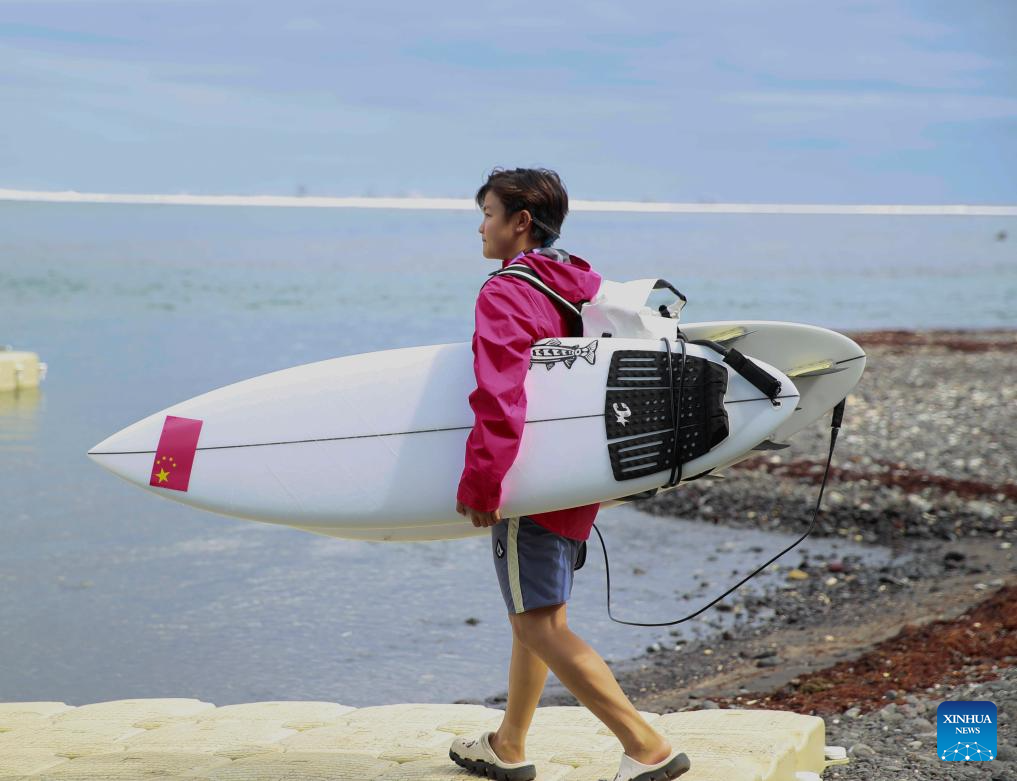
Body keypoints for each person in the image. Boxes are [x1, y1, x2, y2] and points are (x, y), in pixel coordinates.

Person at [450, 168, 691, 781]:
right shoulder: (573, 284)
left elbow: (500, 395)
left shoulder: (505, 292)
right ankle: (509, 743)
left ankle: (647, 748)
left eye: (488, 213)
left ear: (519, 222)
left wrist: (483, 483)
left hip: (528, 480)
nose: (481, 226)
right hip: (579, 476)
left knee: (537, 622)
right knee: (538, 614)